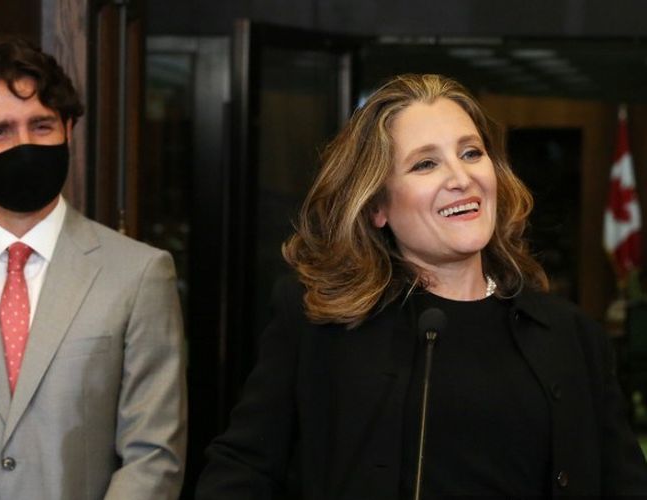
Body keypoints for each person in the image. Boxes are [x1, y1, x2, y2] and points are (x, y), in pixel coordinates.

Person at [195, 73, 647, 499]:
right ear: (377, 207)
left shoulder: (572, 336)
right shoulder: (319, 321)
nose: (460, 178)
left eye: (471, 153)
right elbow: (242, 469)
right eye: (426, 163)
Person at [0, 36, 186, 499]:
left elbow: (153, 456)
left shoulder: (140, 274)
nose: (24, 145)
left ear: (68, 130)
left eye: (41, 125)